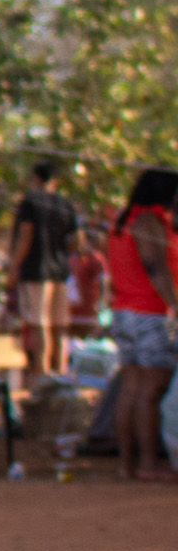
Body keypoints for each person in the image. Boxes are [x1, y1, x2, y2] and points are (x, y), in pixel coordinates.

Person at [101, 169, 178, 481]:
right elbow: (154, 267)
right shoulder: (149, 221)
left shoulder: (123, 220)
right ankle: (148, 463)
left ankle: (127, 465)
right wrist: (174, 305)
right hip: (152, 313)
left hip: (124, 312)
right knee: (152, 389)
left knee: (131, 389)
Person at [7, 160, 79, 379]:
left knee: (39, 324)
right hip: (60, 272)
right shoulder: (65, 204)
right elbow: (77, 241)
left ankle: (42, 376)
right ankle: (60, 375)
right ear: (55, 180)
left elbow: (26, 236)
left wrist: (13, 267)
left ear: (36, 178)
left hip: (35, 271)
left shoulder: (29, 202)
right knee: (59, 326)